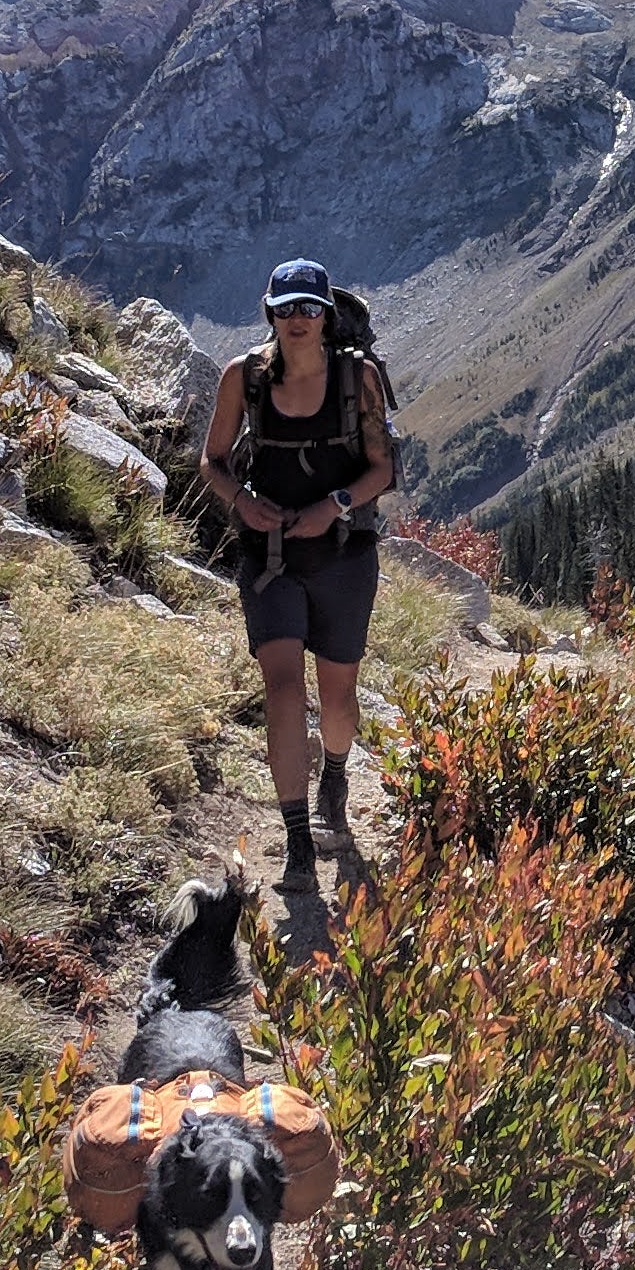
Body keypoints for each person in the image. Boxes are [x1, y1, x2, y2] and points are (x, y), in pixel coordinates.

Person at [199, 257, 393, 886]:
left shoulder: (357, 378)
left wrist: (332, 506)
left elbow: (381, 469)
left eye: (308, 308)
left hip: (341, 555)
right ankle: (297, 841)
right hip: (271, 557)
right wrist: (242, 503)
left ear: (325, 313)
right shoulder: (244, 378)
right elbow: (213, 460)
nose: (297, 320)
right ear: (270, 314)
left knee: (337, 698)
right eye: (285, 309)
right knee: (283, 690)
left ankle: (334, 775)